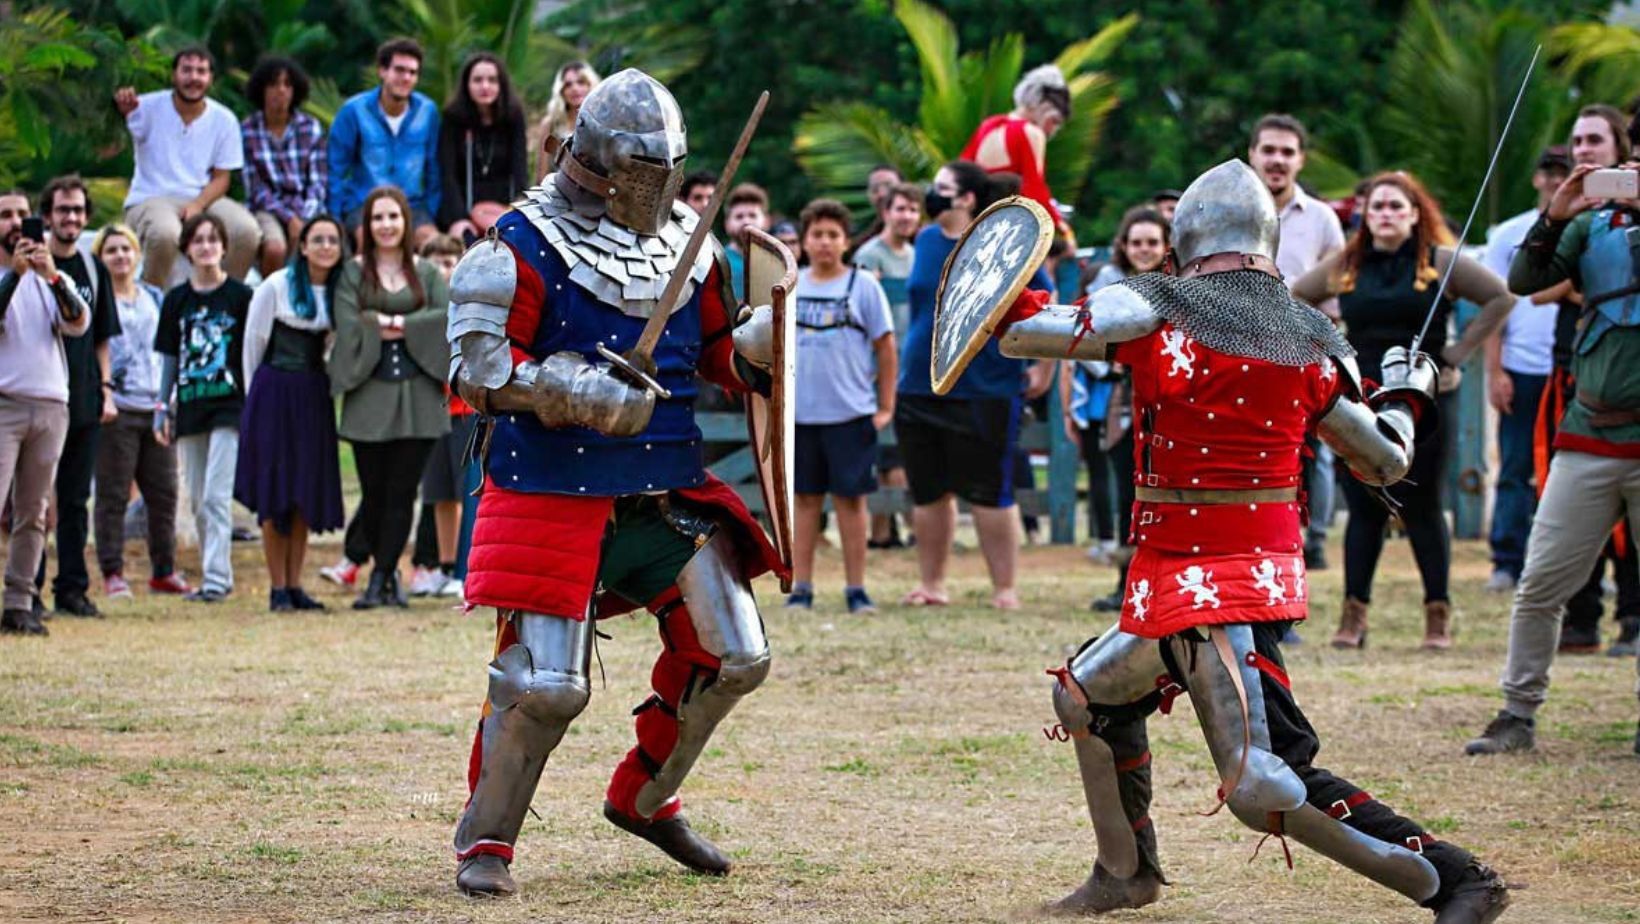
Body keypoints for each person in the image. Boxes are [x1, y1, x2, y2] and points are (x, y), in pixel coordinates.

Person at [995, 158, 1509, 922]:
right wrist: (1407, 391)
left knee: (1262, 780)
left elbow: (1019, 335)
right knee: (1085, 696)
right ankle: (1124, 872)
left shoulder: (1156, 306)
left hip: (1227, 586)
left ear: (1185, 245)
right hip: (1180, 575)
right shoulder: (1314, 338)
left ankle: (1453, 880)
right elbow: (1385, 459)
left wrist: (1007, 273)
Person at [446, 68, 785, 897]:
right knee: (548, 688)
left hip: (664, 491)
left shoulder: (691, 247)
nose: (659, 189)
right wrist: (567, 390)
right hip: (552, 491)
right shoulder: (516, 245)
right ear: (593, 159)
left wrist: (766, 344)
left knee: (738, 655)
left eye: (668, 171)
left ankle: (645, 797)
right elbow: (476, 373)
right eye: (643, 171)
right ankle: (487, 841)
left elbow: (713, 357)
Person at [1464, 145, 1640, 758]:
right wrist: (1558, 216)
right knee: (1540, 582)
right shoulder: (1595, 225)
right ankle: (1516, 714)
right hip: (1590, 432)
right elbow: (1524, 282)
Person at [1292, 171, 1514, 650]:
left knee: (1423, 505)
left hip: (1424, 395)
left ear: (1416, 214)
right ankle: (1354, 616)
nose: (1387, 215)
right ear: (1365, 216)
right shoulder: (1346, 265)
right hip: (1360, 397)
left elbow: (1500, 297)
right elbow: (1295, 297)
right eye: (1378, 208)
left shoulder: (1440, 261)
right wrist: (1327, 346)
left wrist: (1460, 353)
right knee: (1364, 508)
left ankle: (1438, 614)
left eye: (1396, 207)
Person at [896, 161, 1052, 611]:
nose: (933, 194)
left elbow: (1042, 305)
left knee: (990, 491)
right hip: (919, 385)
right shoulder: (925, 241)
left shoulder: (1002, 242)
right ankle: (932, 584)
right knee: (928, 491)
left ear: (966, 199)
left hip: (986, 386)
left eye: (942, 189)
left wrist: (1043, 366)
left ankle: (1004, 588)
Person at [1537, 106, 1640, 656]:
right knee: (1567, 541)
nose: (1581, 151)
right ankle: (1585, 620)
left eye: (1593, 141)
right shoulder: (1580, 215)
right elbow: (1530, 285)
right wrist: (1560, 220)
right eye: (1574, 140)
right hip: (1583, 373)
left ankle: (1630, 613)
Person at [328, 186, 450, 609]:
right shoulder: (352, 272)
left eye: (393, 217)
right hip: (370, 393)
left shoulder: (428, 273)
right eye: (378, 218)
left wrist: (390, 320)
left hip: (418, 393)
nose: (385, 225)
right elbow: (349, 323)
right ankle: (380, 573)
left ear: (405, 222)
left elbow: (443, 319)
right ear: (368, 224)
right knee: (374, 491)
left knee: (404, 491)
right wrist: (388, 322)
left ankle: (383, 577)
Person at [1249, 114, 1348, 586]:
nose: (1277, 160)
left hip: (1301, 352)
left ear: (1301, 160)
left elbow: (1336, 295)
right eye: (1269, 150)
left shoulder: (1323, 219)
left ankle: (1314, 538)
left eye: (1287, 152)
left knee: (1313, 451)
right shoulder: (1228, 209)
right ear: (1252, 154)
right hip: (1234, 354)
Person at [786, 199, 896, 613]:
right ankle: (802, 586)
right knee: (805, 500)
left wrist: (885, 405)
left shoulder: (864, 286)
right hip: (800, 413)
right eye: (817, 235)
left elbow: (886, 348)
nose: (825, 243)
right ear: (804, 241)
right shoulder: (790, 284)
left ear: (846, 242)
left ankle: (856, 588)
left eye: (833, 235)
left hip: (850, 412)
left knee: (852, 501)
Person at [235, 216, 347, 612]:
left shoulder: (340, 291)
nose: (325, 247)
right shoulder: (276, 286)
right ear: (302, 246)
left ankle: (296, 584)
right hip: (274, 391)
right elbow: (253, 342)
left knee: (303, 491)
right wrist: (255, 402)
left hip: (313, 394)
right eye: (318, 240)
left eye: (332, 240)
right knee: (275, 489)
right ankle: (277, 586)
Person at [0, 189, 91, 635]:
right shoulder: (9, 278)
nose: (15, 223)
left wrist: (50, 276)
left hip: (52, 404)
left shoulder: (49, 277)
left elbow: (77, 321)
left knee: (34, 511)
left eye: (22, 214)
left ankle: (19, 602)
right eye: (5, 216)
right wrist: (13, 276)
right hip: (5, 403)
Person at [1482, 147, 1570, 596]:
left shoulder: (1585, 231)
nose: (1556, 182)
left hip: (1569, 366)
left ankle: (1569, 564)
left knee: (1568, 472)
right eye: (1549, 173)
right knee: (1515, 467)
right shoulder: (1509, 234)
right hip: (1522, 366)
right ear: (1537, 179)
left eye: (1564, 174)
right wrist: (1495, 370)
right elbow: (1497, 305)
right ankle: (1506, 558)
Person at [153, 213, 253, 604]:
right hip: (191, 403)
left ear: (225, 247)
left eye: (213, 239)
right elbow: (169, 359)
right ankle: (212, 574)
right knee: (195, 496)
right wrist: (163, 406)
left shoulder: (241, 297)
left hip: (230, 405)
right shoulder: (176, 300)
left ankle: (216, 579)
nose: (207, 246)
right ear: (187, 250)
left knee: (215, 493)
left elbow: (252, 352)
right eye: (198, 240)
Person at [34, 176, 120, 618]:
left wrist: (106, 390)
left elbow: (103, 336)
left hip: (83, 398)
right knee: (34, 499)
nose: (71, 218)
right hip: (39, 396)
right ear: (47, 216)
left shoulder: (92, 268)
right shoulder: (30, 269)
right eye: (63, 210)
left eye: (78, 211)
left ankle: (71, 590)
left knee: (73, 499)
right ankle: (27, 588)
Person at [89, 225, 186, 601]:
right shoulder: (99, 301)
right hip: (119, 409)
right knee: (113, 494)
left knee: (164, 494)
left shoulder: (153, 297)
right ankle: (112, 572)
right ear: (101, 259)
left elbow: (167, 349)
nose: (120, 257)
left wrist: (169, 398)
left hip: (156, 407)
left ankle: (164, 570)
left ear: (138, 255)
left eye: (126, 249)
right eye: (111, 251)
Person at [1073, 206, 1168, 581]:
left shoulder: (1180, 286)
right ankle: (1126, 582)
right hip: (1124, 398)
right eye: (1136, 243)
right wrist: (1112, 365)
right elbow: (1085, 336)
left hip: (1171, 398)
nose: (1144, 250)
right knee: (1127, 490)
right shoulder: (1110, 287)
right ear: (1124, 246)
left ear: (1166, 245)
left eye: (1152, 242)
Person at [115, 46, 261, 287]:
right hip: (152, 197)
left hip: (202, 197)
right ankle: (154, 303)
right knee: (165, 235)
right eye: (187, 70)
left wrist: (198, 205)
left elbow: (222, 178)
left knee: (246, 232)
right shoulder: (145, 107)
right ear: (174, 75)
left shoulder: (224, 120)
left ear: (210, 78)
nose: (194, 78)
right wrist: (123, 111)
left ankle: (225, 300)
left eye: (201, 71)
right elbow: (110, 147)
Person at [852, 182, 921, 548]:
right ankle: (883, 529)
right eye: (900, 209)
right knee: (880, 449)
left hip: (911, 363)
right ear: (885, 213)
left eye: (913, 209)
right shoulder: (869, 254)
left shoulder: (917, 254)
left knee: (902, 450)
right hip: (875, 366)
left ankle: (897, 528)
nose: (907, 216)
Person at [328, 38, 441, 250]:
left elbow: (434, 168)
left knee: (434, 245)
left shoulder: (428, 111)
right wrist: (335, 219)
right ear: (382, 71)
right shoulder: (354, 110)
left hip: (412, 205)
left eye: (412, 72)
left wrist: (432, 211)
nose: (406, 78)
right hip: (364, 205)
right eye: (399, 70)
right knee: (369, 243)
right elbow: (335, 169)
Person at [408, 233, 472, 599]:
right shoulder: (418, 307)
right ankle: (444, 566)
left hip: (464, 411)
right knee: (439, 493)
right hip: (432, 412)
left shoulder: (468, 304)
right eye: (434, 263)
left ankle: (465, 568)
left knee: (466, 492)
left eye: (449, 262)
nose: (442, 270)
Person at [961, 64, 1073, 240]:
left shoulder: (988, 125)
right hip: (1008, 228)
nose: (1052, 130)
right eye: (1054, 121)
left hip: (975, 226)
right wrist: (1061, 227)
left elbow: (962, 171)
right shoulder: (1030, 132)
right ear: (1043, 107)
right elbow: (1034, 189)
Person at [241, 56, 328, 278]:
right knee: (274, 248)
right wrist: (289, 219)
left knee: (321, 243)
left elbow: (318, 182)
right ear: (261, 89)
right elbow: (256, 189)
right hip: (267, 207)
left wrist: (303, 217)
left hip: (305, 204)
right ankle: (271, 305)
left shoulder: (310, 127)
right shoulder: (247, 130)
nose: (281, 91)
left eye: (287, 85)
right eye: (273, 84)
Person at [438, 53, 528, 243]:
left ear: (501, 85)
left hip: (503, 207)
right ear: (466, 85)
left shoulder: (513, 116)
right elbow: (448, 174)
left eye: (492, 80)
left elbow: (520, 170)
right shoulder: (452, 118)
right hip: (463, 206)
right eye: (477, 80)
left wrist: (519, 210)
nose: (485, 86)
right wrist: (458, 218)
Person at [537, 60, 600, 180]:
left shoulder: (604, 125)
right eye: (568, 85)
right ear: (561, 91)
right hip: (555, 194)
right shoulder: (550, 124)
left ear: (591, 86)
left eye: (581, 82)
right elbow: (541, 177)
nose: (575, 88)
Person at [723, 183, 770, 301]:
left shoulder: (777, 261)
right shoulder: (717, 261)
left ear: (766, 221)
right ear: (727, 224)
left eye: (752, 215)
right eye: (739, 217)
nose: (746, 221)